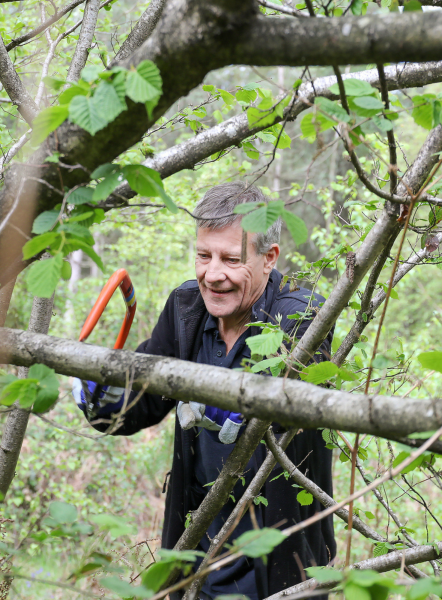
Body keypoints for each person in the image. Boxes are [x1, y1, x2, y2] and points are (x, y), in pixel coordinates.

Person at [73, 182, 336, 600]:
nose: (212, 275)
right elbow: (138, 404)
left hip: (281, 561)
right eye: (203, 255)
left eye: (231, 259)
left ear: (269, 259)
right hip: (198, 554)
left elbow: (290, 404)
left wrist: (223, 407)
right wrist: (96, 399)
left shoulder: (303, 317)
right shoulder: (186, 308)